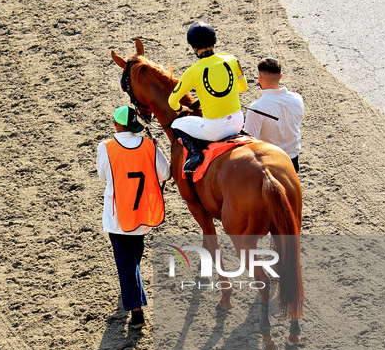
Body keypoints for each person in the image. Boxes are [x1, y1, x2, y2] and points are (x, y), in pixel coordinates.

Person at [96, 105, 170, 329]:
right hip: (142, 215)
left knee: (126, 261)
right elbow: (165, 173)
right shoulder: (149, 145)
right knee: (134, 255)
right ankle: (131, 291)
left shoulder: (105, 147)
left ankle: (136, 311)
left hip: (117, 215)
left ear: (116, 124)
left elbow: (102, 176)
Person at [168, 21, 248, 173]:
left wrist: (181, 108)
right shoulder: (231, 59)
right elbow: (243, 87)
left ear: (194, 48)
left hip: (215, 129)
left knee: (175, 125)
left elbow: (172, 101)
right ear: (214, 41)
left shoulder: (193, 71)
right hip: (238, 121)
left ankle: (196, 153)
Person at [244, 57, 304, 173]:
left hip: (270, 163)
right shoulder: (297, 99)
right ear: (280, 77)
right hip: (292, 160)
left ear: (259, 78)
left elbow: (250, 143)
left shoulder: (256, 107)